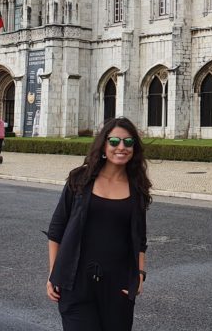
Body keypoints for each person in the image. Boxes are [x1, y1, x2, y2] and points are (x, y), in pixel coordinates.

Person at [46, 117, 151, 331]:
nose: (121, 147)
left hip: (118, 285)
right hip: (76, 282)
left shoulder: (137, 188)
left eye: (128, 142)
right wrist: (53, 274)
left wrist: (139, 276)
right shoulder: (80, 179)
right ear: (103, 145)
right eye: (114, 142)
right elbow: (57, 229)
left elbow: (140, 239)